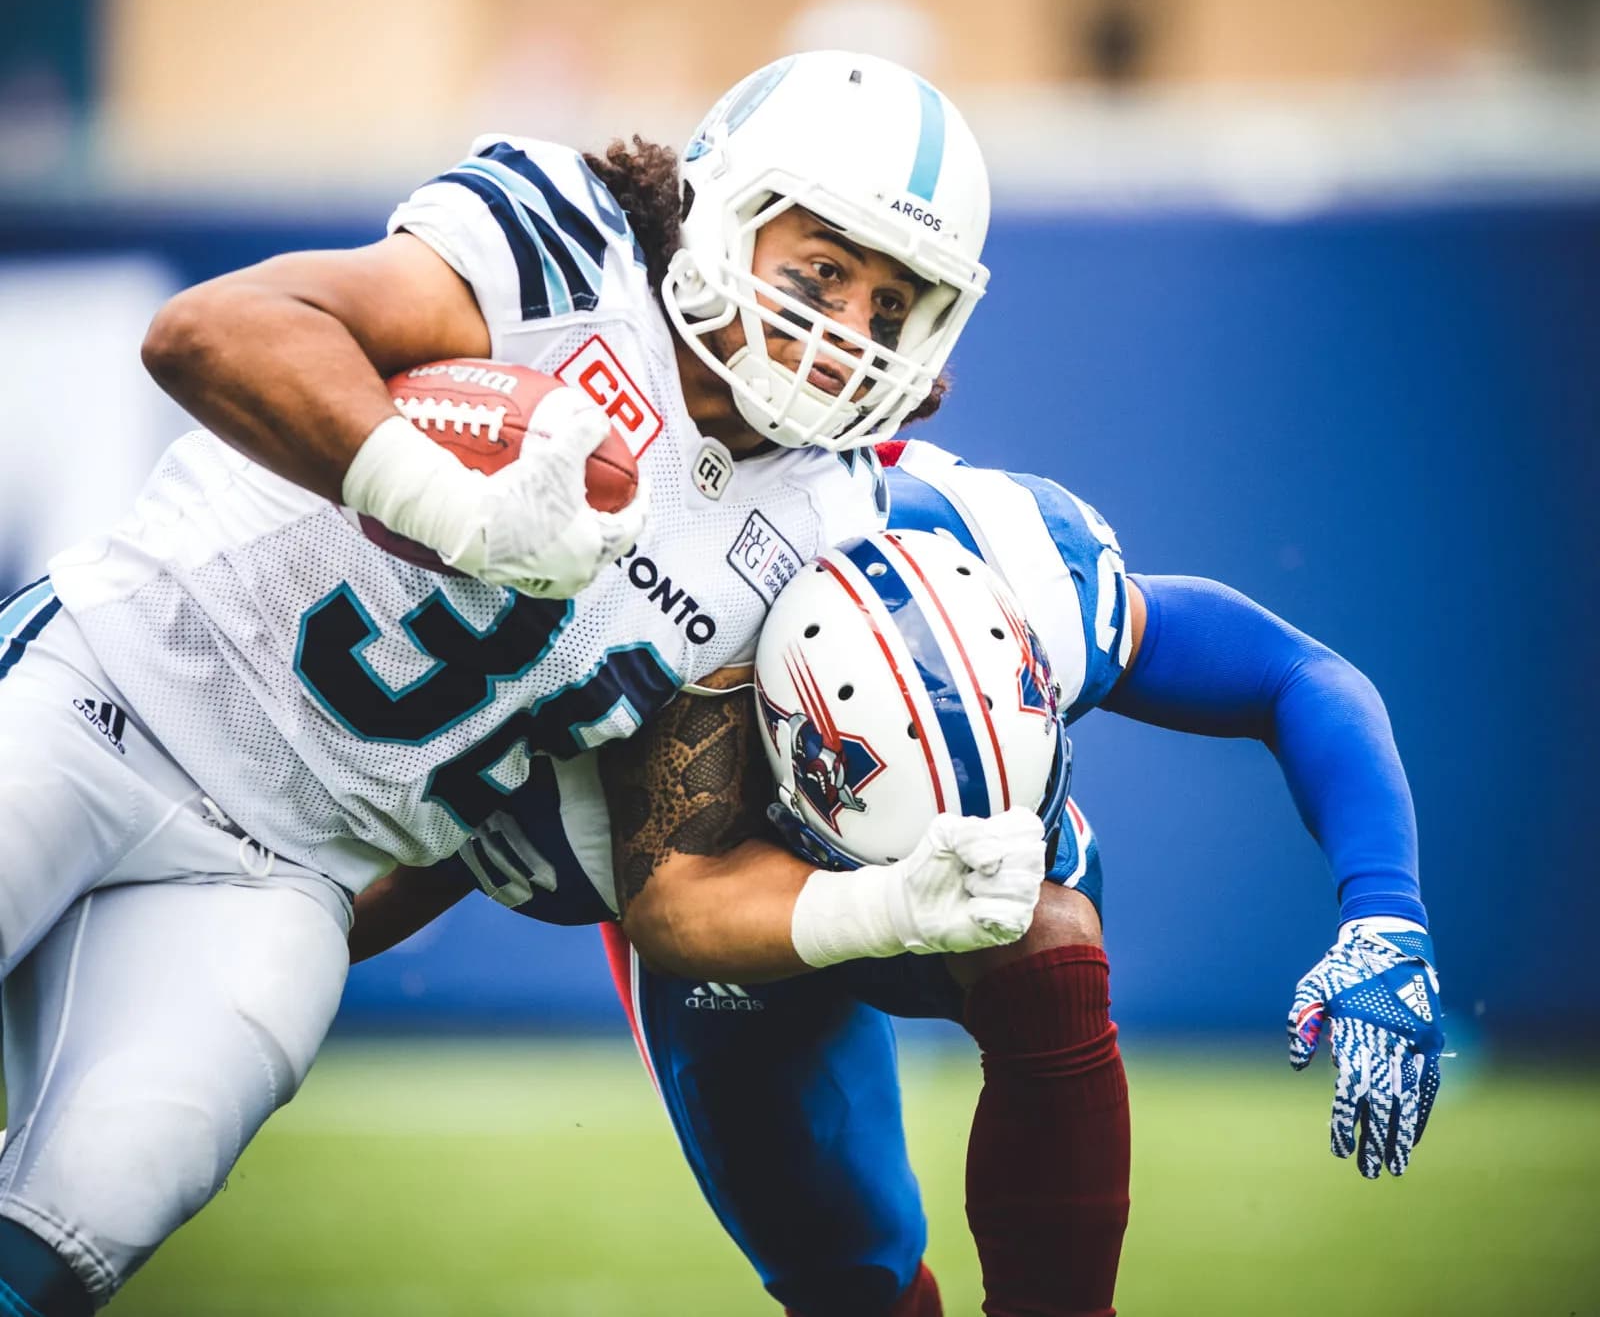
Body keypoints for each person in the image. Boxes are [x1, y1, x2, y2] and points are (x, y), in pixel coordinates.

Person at [0, 51, 1052, 1314]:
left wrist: (880, 902)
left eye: (891, 304)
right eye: (822, 269)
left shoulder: (823, 523)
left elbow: (661, 883)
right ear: (724, 208)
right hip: (108, 684)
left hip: (283, 873)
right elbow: (210, 332)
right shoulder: (571, 250)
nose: (846, 330)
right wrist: (452, 506)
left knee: (82, 1218)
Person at [354, 442, 1445, 1317]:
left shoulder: (1014, 562)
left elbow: (1296, 671)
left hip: (973, 874)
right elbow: (363, 902)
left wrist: (1385, 912)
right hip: (740, 925)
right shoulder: (600, 745)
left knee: (1046, 934)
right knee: (851, 1283)